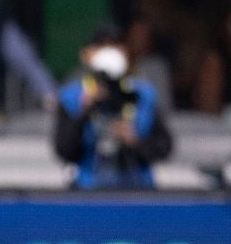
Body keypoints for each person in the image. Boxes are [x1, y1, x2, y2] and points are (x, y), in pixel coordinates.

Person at [54, 28, 172, 190]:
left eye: (115, 46)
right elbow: (64, 150)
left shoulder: (142, 94)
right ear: (87, 54)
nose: (109, 53)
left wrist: (134, 141)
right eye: (102, 47)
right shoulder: (72, 97)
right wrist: (85, 112)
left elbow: (164, 147)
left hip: (138, 190)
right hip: (88, 189)